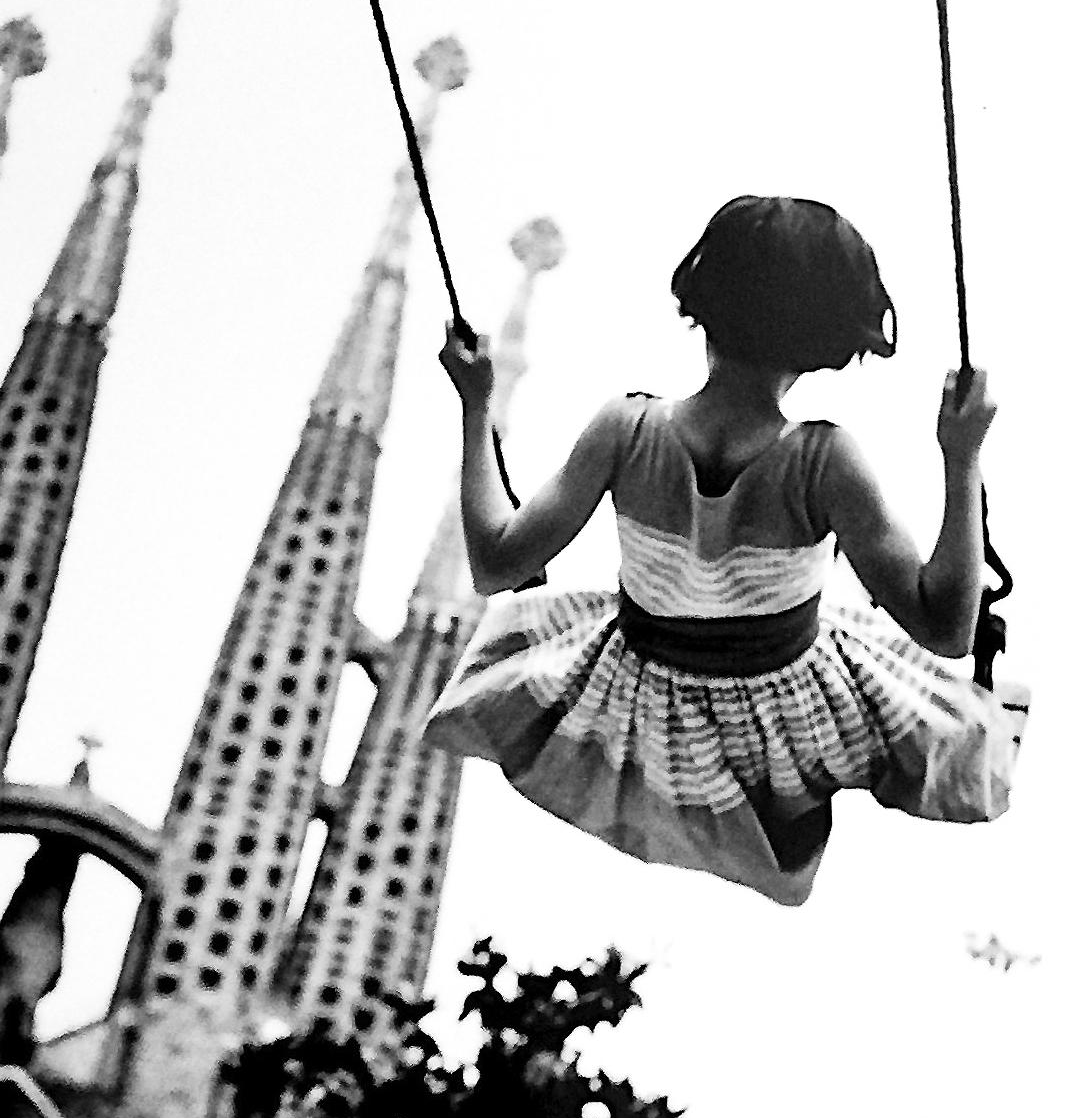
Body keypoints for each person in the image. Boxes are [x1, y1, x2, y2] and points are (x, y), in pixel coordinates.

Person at [422, 195, 1028, 905]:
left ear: (702, 302)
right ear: (831, 340)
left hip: (639, 689)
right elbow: (947, 630)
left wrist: (474, 406)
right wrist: (961, 458)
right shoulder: (824, 463)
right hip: (783, 708)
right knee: (950, 729)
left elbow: (495, 563)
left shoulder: (624, 429)